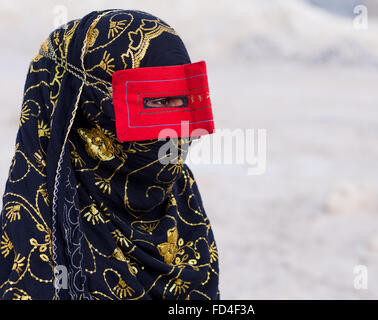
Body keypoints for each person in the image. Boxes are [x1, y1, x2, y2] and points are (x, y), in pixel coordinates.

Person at [0, 9, 219, 300]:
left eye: (183, 100)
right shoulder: (35, 230)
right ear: (90, 108)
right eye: (157, 101)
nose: (178, 129)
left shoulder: (183, 201)